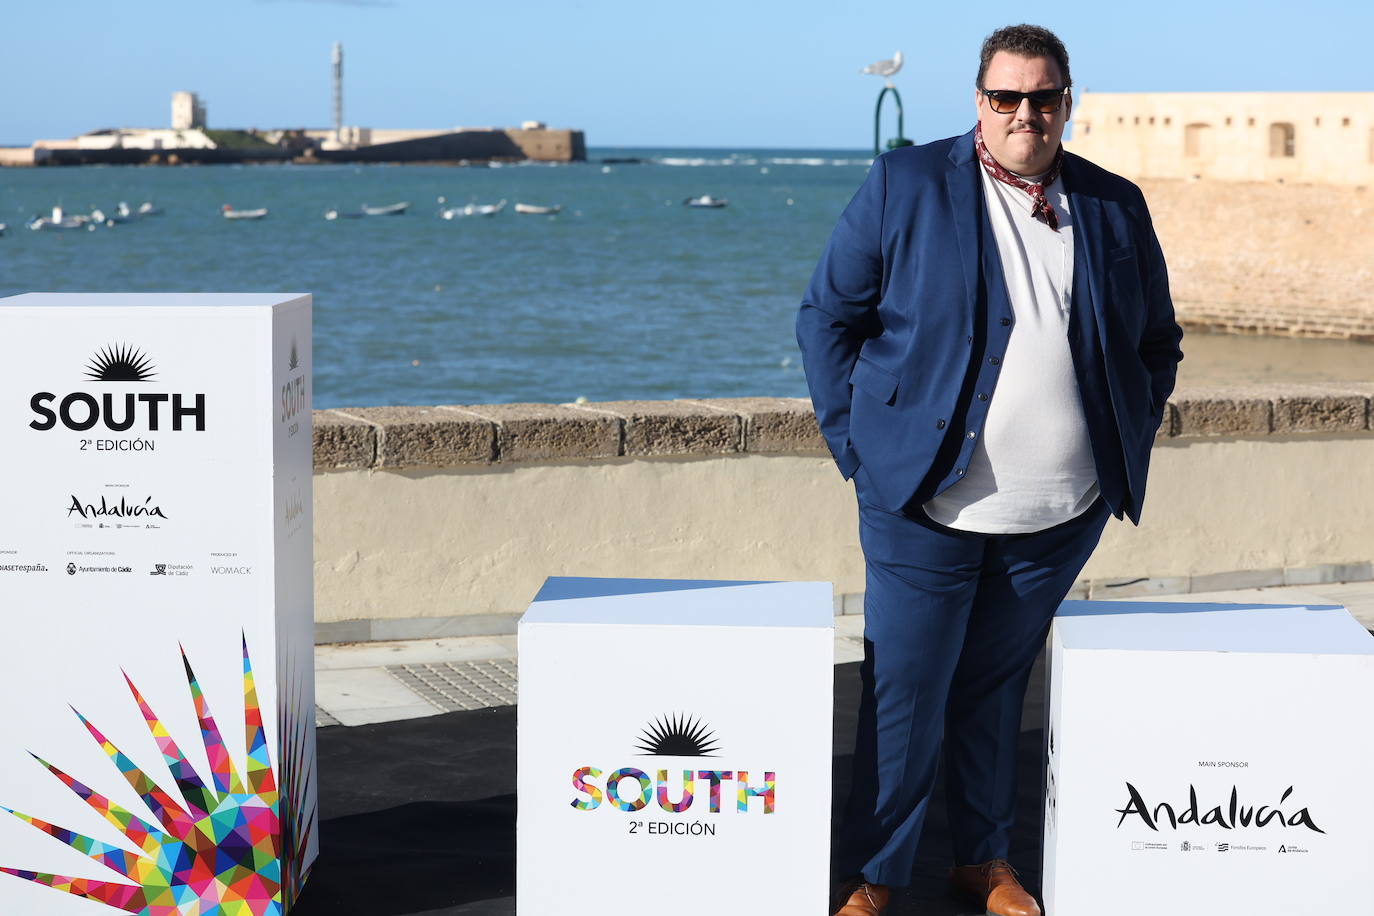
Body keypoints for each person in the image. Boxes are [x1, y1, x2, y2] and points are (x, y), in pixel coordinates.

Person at [796, 23, 1183, 916]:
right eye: (1005, 97)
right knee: (905, 689)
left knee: (994, 691)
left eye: (1041, 97)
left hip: (1062, 510)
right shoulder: (907, 186)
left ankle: (983, 860)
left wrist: (1126, 431)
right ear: (979, 102)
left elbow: (1156, 342)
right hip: (922, 501)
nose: (1024, 114)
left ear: (1065, 104)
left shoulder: (1116, 204)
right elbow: (827, 318)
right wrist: (857, 449)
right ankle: (875, 875)